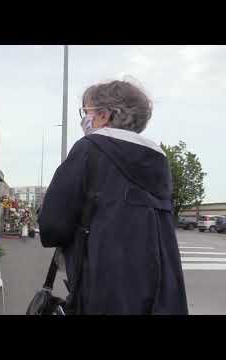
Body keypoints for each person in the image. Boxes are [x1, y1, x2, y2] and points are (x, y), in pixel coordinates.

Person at [38, 79, 188, 314]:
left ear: (105, 115)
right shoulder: (159, 161)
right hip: (159, 292)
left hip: (103, 288)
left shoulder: (89, 149)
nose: (84, 119)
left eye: (86, 111)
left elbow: (52, 226)